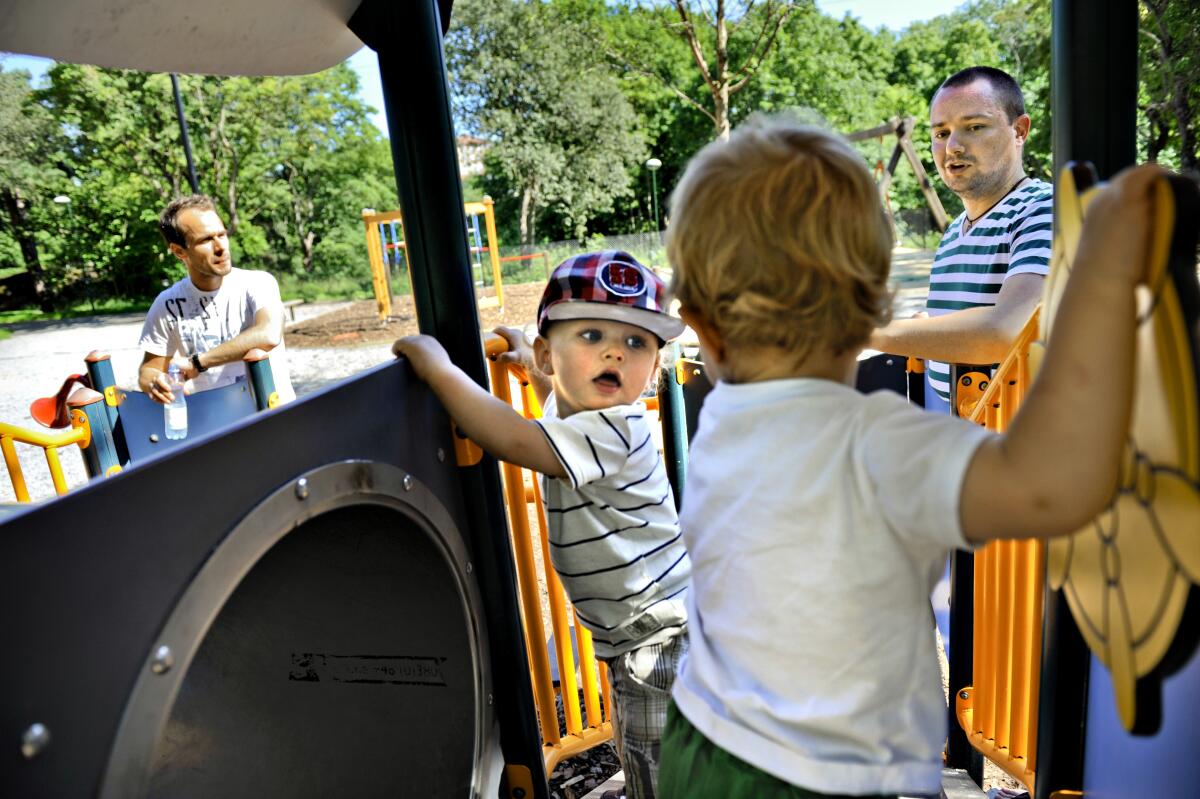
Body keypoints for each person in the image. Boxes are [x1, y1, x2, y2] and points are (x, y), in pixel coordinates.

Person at [656, 115, 1161, 797]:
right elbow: (1061, 487)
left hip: (697, 738)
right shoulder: (879, 442)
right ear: (876, 310)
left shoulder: (718, 423)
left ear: (700, 328)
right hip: (815, 774)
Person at [394, 252, 691, 799]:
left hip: (660, 643)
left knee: (661, 763)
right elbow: (551, 402)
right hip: (638, 636)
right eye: (592, 334)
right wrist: (525, 356)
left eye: (637, 343)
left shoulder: (618, 429)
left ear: (655, 367)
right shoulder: (577, 416)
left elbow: (513, 436)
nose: (613, 352)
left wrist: (441, 371)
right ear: (550, 355)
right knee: (644, 748)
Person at [869, 66, 1052, 414]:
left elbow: (1007, 331)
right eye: (941, 132)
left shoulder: (1043, 209)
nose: (952, 146)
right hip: (953, 416)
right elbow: (963, 319)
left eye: (974, 127)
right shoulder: (955, 231)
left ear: (1020, 130)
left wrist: (859, 332)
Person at [138, 194, 295, 404]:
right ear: (178, 251)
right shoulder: (168, 304)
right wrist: (156, 382)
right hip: (215, 426)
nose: (221, 247)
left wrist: (197, 362)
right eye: (206, 240)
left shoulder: (258, 283)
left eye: (221, 234)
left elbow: (268, 334)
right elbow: (149, 369)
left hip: (275, 415)